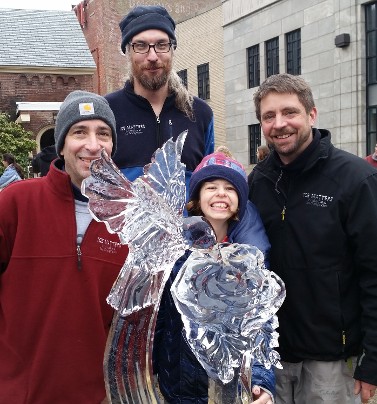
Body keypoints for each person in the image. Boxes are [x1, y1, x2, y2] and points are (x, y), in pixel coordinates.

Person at [248, 73, 377, 404]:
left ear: (311, 115)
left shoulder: (355, 180)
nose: (279, 124)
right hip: (272, 354)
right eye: (269, 116)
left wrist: (373, 362)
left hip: (330, 359)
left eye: (289, 112)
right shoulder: (258, 182)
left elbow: (374, 273)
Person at [0, 90, 129, 403]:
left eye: (103, 133)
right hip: (16, 391)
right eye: (79, 132)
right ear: (61, 144)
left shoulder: (129, 221)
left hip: (92, 395)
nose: (93, 145)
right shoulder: (15, 203)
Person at [154, 148, 276, 403]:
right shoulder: (173, 253)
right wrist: (150, 368)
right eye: (211, 187)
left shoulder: (248, 261)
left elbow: (261, 323)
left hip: (229, 388)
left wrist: (262, 379)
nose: (221, 193)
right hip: (179, 387)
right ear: (197, 197)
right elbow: (159, 319)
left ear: (239, 202)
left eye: (230, 188)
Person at [105, 5, 214, 188]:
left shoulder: (200, 113)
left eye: (162, 44)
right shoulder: (107, 111)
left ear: (172, 49)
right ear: (128, 52)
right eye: (141, 45)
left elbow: (210, 183)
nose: (153, 56)